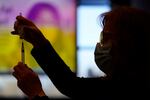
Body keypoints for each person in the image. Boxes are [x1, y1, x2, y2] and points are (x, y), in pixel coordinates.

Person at [11, 6, 150, 99]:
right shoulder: (122, 82)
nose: (100, 45)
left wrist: (37, 94)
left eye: (106, 38)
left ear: (128, 44)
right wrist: (39, 41)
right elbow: (72, 85)